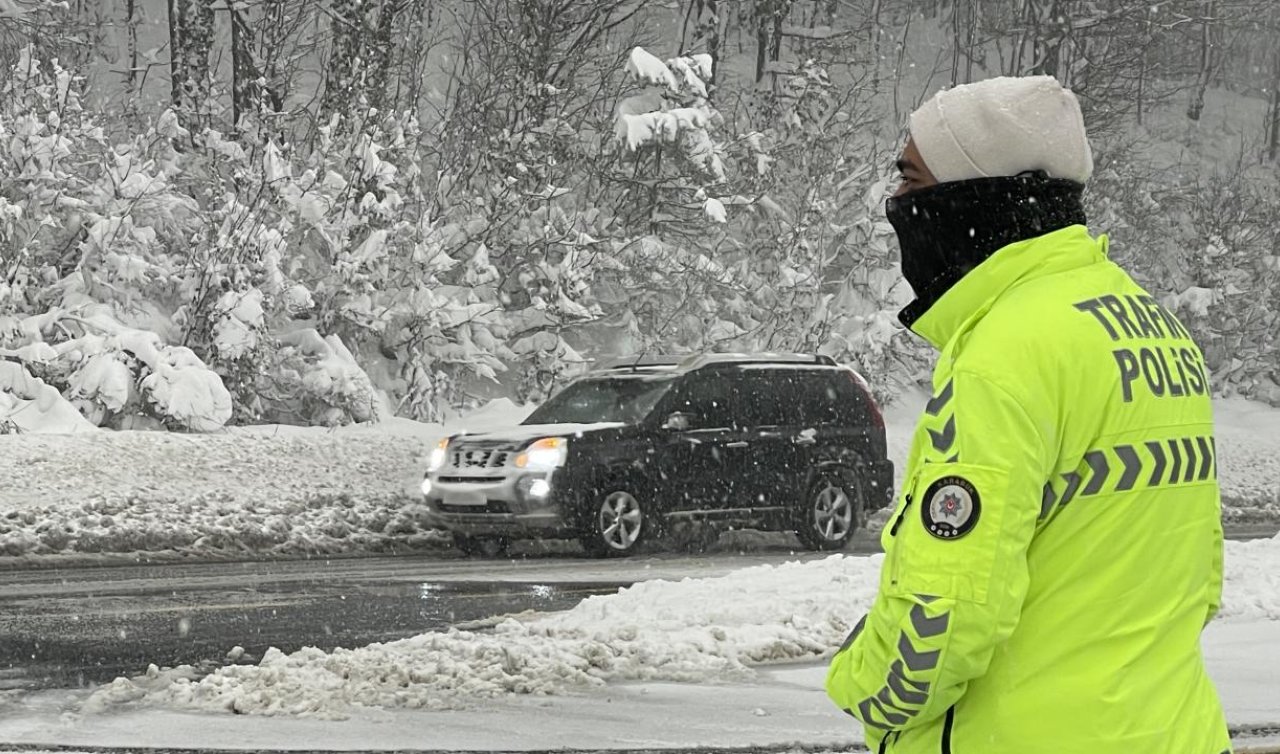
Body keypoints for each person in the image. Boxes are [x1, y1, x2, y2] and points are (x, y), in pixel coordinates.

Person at [825, 75, 1230, 754]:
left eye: (911, 180)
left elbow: (945, 616)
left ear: (974, 195)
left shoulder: (1004, 354)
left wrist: (860, 686)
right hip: (1170, 731)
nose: (897, 204)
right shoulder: (1149, 326)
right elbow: (1199, 576)